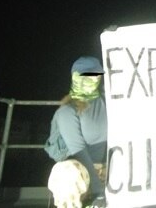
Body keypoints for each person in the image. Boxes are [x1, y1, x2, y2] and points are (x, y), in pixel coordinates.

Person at [47, 56, 108, 208]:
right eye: (86, 75)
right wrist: (98, 191)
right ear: (75, 77)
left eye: (96, 75)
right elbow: (78, 150)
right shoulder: (67, 111)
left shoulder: (108, 100)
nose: (92, 79)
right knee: (65, 174)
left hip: (107, 165)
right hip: (81, 169)